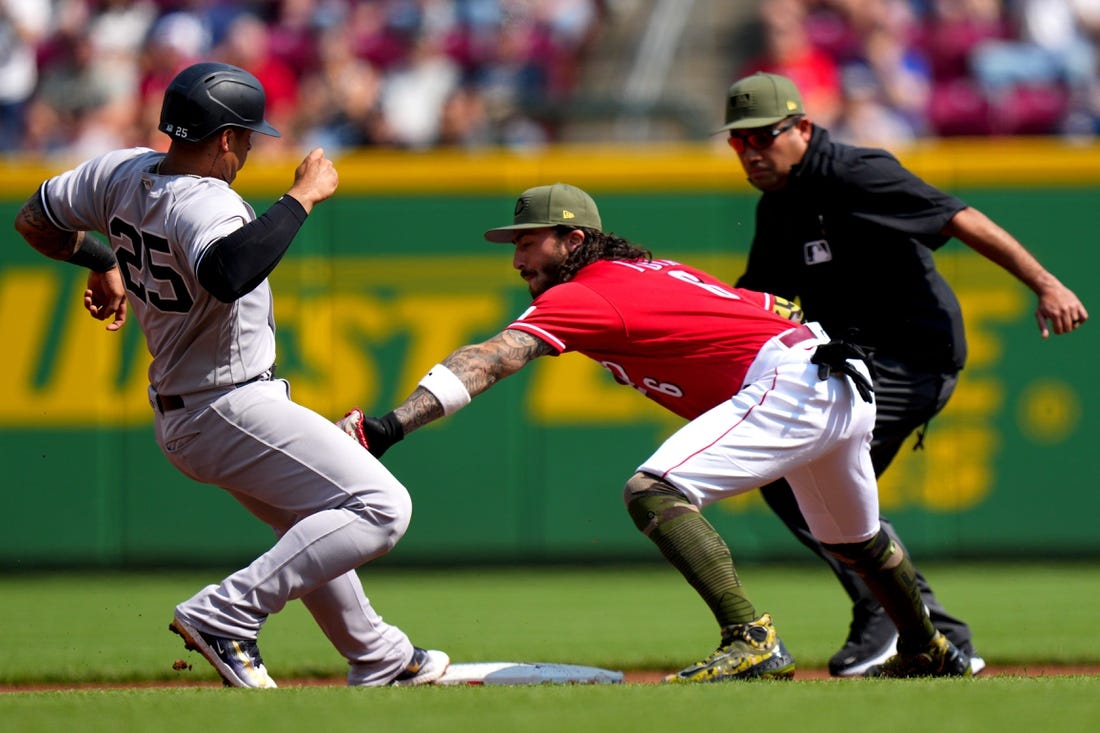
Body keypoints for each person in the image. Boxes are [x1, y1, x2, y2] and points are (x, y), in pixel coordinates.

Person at [339, 182, 975, 680]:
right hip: (834, 377)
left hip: (795, 380)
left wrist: (391, 425)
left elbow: (492, 358)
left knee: (653, 489)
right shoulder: (651, 272)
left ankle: (749, 637)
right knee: (857, 542)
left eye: (528, 242)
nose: (517, 259)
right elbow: (769, 310)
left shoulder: (585, 292)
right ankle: (929, 648)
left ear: (571, 239)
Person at [13, 61, 449, 689]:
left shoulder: (117, 171)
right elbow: (227, 271)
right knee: (382, 506)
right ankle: (225, 615)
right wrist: (301, 197)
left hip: (195, 406)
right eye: (247, 137)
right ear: (223, 139)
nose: (248, 149)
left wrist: (99, 258)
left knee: (312, 524)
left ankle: (379, 656)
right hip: (228, 403)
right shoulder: (207, 201)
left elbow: (34, 219)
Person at [718, 71, 1089, 677]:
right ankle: (941, 638)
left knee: (804, 479)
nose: (751, 151)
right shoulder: (780, 206)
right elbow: (759, 299)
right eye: (739, 142)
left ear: (803, 128)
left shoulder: (855, 172)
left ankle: (884, 617)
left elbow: (959, 218)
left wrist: (1046, 284)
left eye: (763, 136)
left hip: (914, 357)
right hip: (857, 364)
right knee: (812, 489)